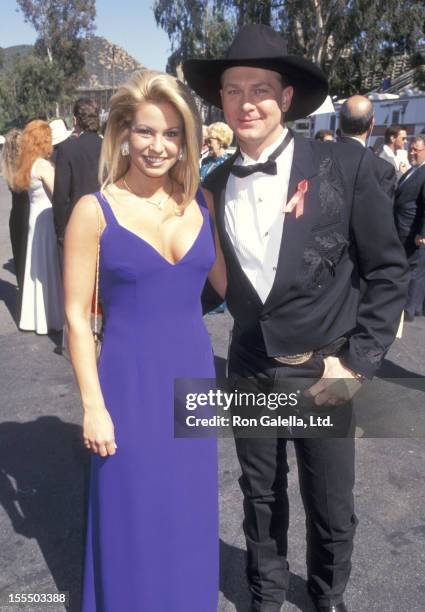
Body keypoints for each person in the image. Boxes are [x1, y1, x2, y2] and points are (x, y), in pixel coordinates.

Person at [184, 24, 408, 612]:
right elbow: (207, 285)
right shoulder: (210, 186)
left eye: (261, 88)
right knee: (259, 496)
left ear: (285, 98)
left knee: (330, 501)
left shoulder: (346, 167)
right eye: (234, 89)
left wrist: (358, 364)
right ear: (222, 100)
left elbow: (388, 272)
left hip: (323, 374)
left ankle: (329, 595)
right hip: (251, 367)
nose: (247, 101)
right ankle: (266, 593)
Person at [64, 70, 224, 611]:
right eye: (146, 131)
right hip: (128, 386)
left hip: (194, 381)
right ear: (123, 134)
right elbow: (76, 317)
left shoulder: (200, 200)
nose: (158, 146)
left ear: (187, 140)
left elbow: (234, 286)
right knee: (131, 512)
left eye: (172, 133)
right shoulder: (95, 211)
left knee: (188, 510)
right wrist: (93, 407)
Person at [14, 120, 63, 335]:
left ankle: (36, 318)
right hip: (46, 218)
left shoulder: (27, 163)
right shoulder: (43, 165)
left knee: (37, 267)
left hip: (34, 219)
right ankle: (53, 317)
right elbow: (57, 195)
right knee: (49, 268)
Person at [52, 97, 103, 252]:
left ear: (75, 120)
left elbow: (61, 197)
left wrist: (61, 233)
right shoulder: (108, 146)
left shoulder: (67, 149)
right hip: (107, 223)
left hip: (76, 226)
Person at [338, 95, 397, 198]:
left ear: (340, 122)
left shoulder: (315, 156)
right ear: (372, 125)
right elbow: (382, 212)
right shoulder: (382, 169)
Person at [394, 135, 425, 321]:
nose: (412, 152)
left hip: (413, 231)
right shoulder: (412, 170)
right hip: (403, 229)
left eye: (417, 150)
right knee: (409, 268)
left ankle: (410, 309)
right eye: (411, 148)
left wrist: (423, 232)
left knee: (415, 271)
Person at [1, 129, 30, 312]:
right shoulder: (28, 166)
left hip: (15, 216)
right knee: (31, 261)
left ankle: (24, 304)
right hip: (28, 213)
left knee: (20, 259)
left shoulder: (8, 168)